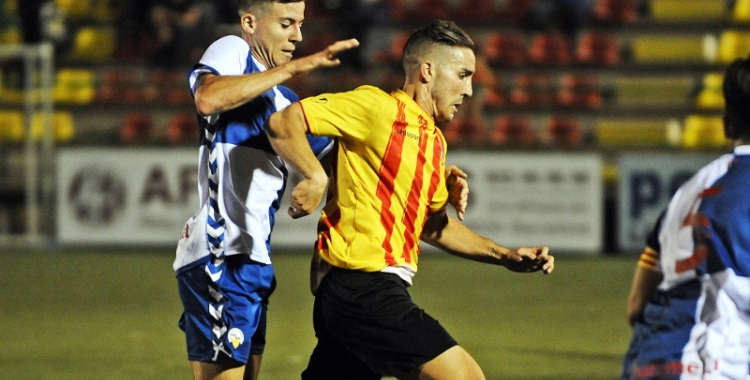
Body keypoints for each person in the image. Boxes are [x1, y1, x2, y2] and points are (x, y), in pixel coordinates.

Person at [172, 3, 469, 379]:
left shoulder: (284, 101)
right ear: (250, 22)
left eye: (300, 24)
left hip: (252, 260)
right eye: (286, 24)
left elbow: (359, 165)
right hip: (220, 250)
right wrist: (294, 70)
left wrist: (433, 172)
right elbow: (207, 97)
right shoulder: (233, 50)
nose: (297, 35)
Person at [266, 20, 555, 379]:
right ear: (428, 70)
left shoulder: (435, 142)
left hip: (358, 296)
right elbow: (284, 121)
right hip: (362, 288)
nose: (469, 89)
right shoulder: (376, 107)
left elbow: (434, 227)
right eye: (463, 75)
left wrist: (505, 255)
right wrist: (315, 174)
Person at [620, 56, 750, 380]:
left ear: (727, 126)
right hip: (721, 367)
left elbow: (636, 306)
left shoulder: (688, 193)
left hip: (650, 364)